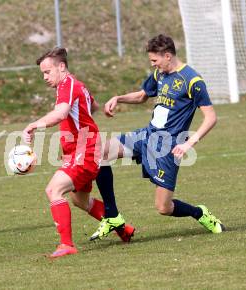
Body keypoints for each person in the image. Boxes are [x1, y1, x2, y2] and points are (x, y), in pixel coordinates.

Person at [90, 34, 224, 241]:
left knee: (163, 207)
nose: (153, 64)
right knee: (100, 152)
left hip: (168, 147)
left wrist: (189, 143)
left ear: (168, 56)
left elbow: (211, 117)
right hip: (147, 135)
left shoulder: (193, 81)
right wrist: (118, 98)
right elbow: (143, 95)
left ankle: (200, 213)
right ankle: (112, 215)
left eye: (155, 60)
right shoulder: (159, 74)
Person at [23, 47, 134, 259]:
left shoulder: (67, 85)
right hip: (79, 149)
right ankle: (124, 229)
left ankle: (66, 244)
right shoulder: (75, 84)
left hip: (85, 150)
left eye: (47, 72)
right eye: (43, 73)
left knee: (53, 190)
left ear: (61, 67)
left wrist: (35, 124)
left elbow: (61, 113)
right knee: (79, 200)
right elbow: (92, 104)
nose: (45, 77)